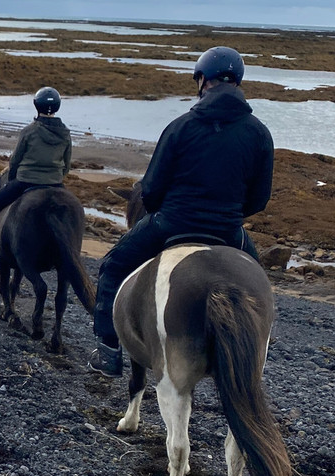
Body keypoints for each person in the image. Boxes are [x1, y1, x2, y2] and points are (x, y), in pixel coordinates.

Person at [88, 46, 273, 377]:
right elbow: (259, 199)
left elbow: (152, 189)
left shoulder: (181, 127)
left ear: (202, 81)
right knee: (261, 291)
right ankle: (255, 355)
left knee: (113, 267)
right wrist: (227, 216)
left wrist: (161, 214)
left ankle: (108, 350)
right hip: (229, 230)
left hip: (172, 222)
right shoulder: (259, 133)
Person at [0, 87, 71, 265]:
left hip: (26, 181)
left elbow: (15, 160)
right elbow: (67, 163)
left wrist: (13, 177)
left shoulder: (29, 131)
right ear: (58, 107)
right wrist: (57, 177)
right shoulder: (66, 133)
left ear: (36, 105)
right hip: (55, 183)